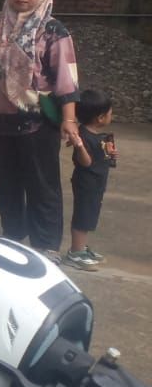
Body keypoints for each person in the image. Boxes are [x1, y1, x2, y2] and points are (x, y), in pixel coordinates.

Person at [0, 0, 82, 260]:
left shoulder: (53, 31)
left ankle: (46, 246)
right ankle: (13, 237)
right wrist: (0, 70)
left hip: (38, 121)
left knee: (42, 184)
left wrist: (69, 119)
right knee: (5, 182)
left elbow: (66, 79)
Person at [65, 88, 116, 271]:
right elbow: (86, 162)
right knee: (83, 216)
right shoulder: (82, 136)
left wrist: (109, 153)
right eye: (110, 114)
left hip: (96, 183)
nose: (111, 116)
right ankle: (75, 253)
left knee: (90, 215)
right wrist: (79, 146)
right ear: (100, 118)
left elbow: (100, 156)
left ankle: (81, 247)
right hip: (86, 183)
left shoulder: (97, 135)